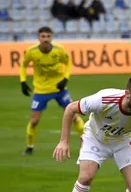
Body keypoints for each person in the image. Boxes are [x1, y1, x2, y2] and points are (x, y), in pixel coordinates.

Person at [20, 27, 85, 155]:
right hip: (41, 90)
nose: (45, 39)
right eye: (43, 36)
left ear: (51, 37)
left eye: (48, 36)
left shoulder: (59, 50)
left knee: (74, 116)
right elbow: (23, 65)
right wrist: (23, 81)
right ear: (38, 37)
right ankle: (30, 146)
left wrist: (65, 79)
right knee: (34, 121)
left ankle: (86, 144)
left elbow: (68, 63)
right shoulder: (31, 51)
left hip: (59, 89)